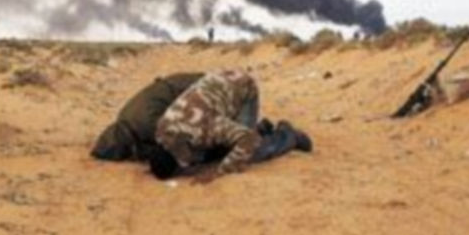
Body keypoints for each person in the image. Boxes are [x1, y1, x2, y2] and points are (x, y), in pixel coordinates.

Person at [150, 68, 311, 183]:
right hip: (219, 83)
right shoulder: (162, 128)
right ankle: (262, 127)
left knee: (251, 152)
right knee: (217, 145)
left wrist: (220, 172)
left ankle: (288, 135)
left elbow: (245, 139)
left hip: (243, 89)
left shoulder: (205, 129)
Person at [91, 72, 205, 161]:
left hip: (191, 88)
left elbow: (181, 142)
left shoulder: (148, 126)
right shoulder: (124, 116)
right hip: (180, 83)